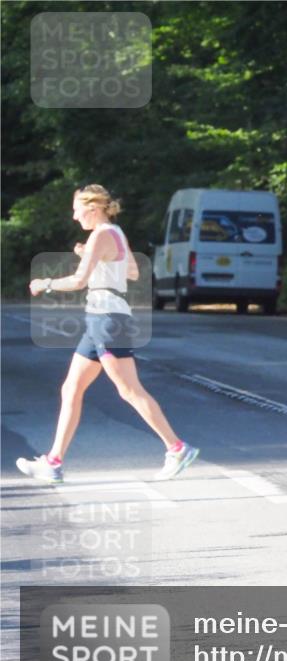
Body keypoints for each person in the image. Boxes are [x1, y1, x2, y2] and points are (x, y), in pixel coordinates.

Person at [17, 184, 199, 484]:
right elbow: (132, 272)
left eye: (77, 210)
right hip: (100, 319)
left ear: (92, 207)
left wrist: (45, 283)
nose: (75, 217)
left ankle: (176, 447)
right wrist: (91, 254)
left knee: (129, 390)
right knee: (71, 388)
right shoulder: (114, 233)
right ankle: (53, 462)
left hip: (108, 320)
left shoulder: (101, 234)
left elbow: (78, 281)